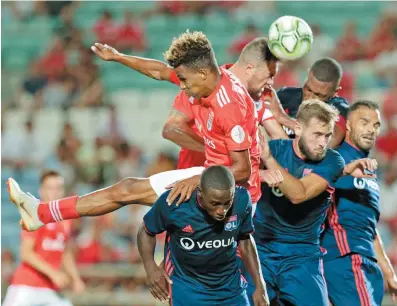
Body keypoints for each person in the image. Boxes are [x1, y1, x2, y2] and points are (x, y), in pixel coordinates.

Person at [8, 31, 283, 232]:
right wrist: (118, 58)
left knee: (148, 213)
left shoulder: (230, 107)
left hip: (232, 196)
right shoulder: (206, 78)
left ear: (201, 74)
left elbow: (243, 171)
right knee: (127, 188)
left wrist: (199, 180)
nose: (182, 88)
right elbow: (161, 72)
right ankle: (41, 213)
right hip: (208, 175)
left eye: (185, 81)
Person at [247, 99, 377, 306]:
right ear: (297, 127)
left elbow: (299, 194)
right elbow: (235, 176)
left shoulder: (332, 161)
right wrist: (257, 170)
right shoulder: (273, 149)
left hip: (303, 258)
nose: (322, 143)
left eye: (327, 135)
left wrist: (269, 163)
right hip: (262, 253)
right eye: (317, 134)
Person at [90, 37, 288, 169]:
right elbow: (161, 72)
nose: (270, 81)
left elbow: (276, 138)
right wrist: (119, 57)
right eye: (268, 75)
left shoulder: (254, 96)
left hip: (231, 182)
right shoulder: (200, 84)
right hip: (194, 174)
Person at [137, 165, 269, 306]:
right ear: (200, 193)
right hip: (190, 303)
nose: (222, 210)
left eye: (226, 202)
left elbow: (245, 240)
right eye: (215, 203)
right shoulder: (174, 203)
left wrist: (259, 285)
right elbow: (145, 231)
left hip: (233, 298)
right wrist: (150, 267)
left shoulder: (242, 199)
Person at [321, 100, 397, 306]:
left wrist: (389, 274)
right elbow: (312, 197)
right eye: (364, 122)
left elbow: (370, 229)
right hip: (346, 260)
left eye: (376, 124)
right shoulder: (336, 160)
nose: (371, 129)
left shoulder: (370, 171)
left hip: (364, 262)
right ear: (348, 126)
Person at [1, 170, 84, 306]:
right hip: (27, 285)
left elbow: (65, 252)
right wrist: (54, 273)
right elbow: (26, 254)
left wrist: (75, 278)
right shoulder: (35, 214)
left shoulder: (64, 219)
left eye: (59, 187)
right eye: (50, 187)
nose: (55, 192)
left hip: (50, 288)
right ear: (41, 190)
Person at [274, 57, 349, 148]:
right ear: (308, 76)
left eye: (319, 95)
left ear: (335, 92)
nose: (310, 98)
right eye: (308, 89)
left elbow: (325, 144)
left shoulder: (339, 108)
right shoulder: (284, 96)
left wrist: (283, 118)